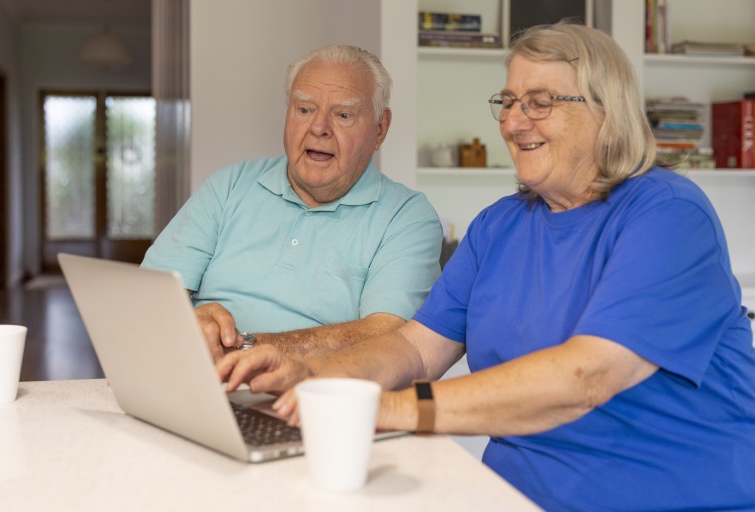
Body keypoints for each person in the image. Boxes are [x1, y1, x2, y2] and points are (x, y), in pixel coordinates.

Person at [214, 23, 755, 511]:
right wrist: (315, 381)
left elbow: (587, 376)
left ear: (605, 109)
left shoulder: (667, 213)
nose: (514, 121)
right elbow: (415, 349)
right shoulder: (501, 225)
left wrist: (395, 410)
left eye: (540, 102)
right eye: (509, 100)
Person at [142, 45, 443, 361]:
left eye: (343, 115)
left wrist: (243, 346)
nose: (318, 128)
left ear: (380, 128)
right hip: (196, 375)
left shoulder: (407, 217)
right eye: (304, 109)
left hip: (314, 395)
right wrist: (189, 325)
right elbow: (151, 294)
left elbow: (388, 334)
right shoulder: (230, 185)